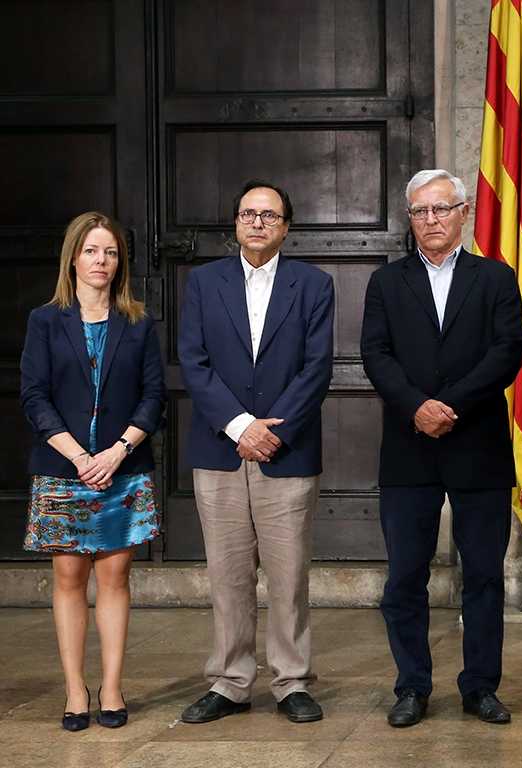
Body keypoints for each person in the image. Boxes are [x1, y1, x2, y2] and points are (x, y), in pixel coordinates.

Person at [360, 169, 522, 728]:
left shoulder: (495, 278)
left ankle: (481, 687)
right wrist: (418, 407)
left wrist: (448, 405)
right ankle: (412, 686)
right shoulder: (387, 282)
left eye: (441, 209)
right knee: (405, 576)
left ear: (463, 212)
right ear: (410, 218)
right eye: (420, 211)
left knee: (483, 575)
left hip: (477, 443)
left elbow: (507, 351)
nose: (431, 220)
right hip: (408, 448)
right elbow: (375, 354)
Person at [177, 180, 335, 724]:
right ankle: (230, 681)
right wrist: (241, 426)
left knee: (289, 576)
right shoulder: (203, 283)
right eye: (249, 214)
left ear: (286, 226)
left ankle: (292, 682)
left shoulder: (313, 284)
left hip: (286, 451)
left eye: (269, 216)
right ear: (236, 223)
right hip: (220, 450)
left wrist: (272, 433)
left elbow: (316, 367)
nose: (258, 223)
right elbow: (193, 361)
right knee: (227, 575)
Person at [20, 212, 165, 731]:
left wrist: (117, 451)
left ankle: (111, 687)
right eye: (91, 251)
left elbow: (154, 397)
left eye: (110, 252)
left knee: (115, 577)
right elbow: (34, 396)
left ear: (119, 261)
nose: (101, 260)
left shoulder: (139, 322)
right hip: (63, 468)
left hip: (123, 467)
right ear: (73, 258)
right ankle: (74, 689)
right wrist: (81, 457)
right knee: (68, 578)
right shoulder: (44, 320)